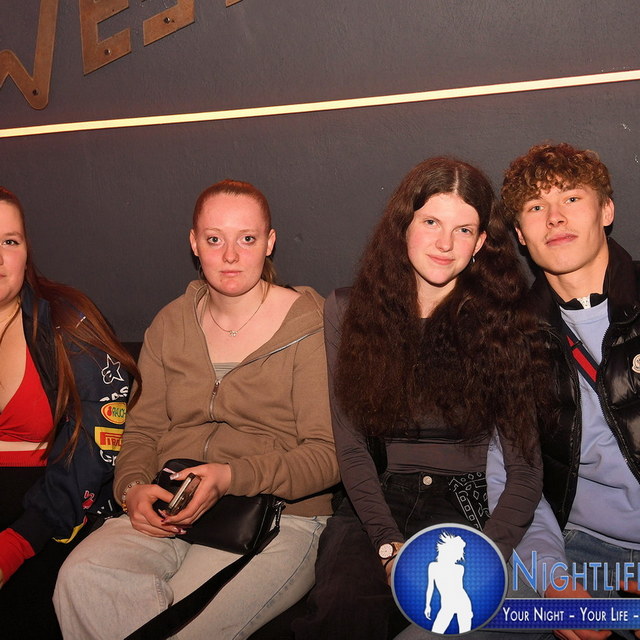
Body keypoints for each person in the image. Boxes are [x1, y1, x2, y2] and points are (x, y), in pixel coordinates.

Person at [54, 179, 339, 639]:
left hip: (278, 517)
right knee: (82, 578)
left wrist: (230, 476)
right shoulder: (170, 323)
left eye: (247, 239)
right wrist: (132, 489)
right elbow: (142, 431)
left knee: (179, 624)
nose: (231, 256)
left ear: (269, 242)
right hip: (173, 503)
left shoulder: (311, 326)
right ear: (194, 243)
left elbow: (328, 454)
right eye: (214, 239)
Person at [292, 157, 554, 639]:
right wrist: (387, 545)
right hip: (378, 501)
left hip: (467, 507)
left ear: (480, 243)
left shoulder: (505, 322)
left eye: (463, 230)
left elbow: (525, 471)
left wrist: (487, 554)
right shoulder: (348, 310)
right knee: (340, 613)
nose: (444, 244)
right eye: (431, 222)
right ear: (404, 226)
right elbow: (350, 447)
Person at [497, 142, 640, 640]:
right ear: (521, 234)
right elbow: (511, 476)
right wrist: (549, 576)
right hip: (576, 551)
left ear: (607, 211)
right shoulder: (510, 339)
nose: (555, 217)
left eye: (571, 199)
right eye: (536, 207)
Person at [0, 187, 140, 638]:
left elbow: (96, 449)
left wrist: (18, 541)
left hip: (47, 516)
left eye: (9, 241)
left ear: (27, 251)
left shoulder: (68, 320)